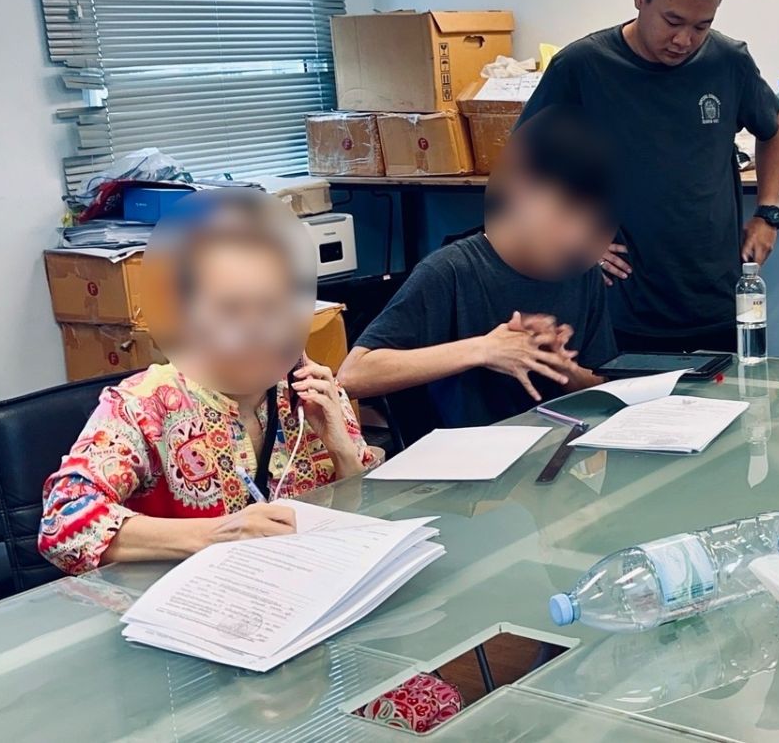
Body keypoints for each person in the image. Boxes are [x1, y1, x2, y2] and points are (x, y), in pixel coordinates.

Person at [37, 191, 462, 735]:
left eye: (276, 308)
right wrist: (215, 535)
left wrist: (341, 445)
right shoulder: (145, 406)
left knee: (433, 706)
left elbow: (372, 522)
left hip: (312, 628)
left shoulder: (309, 391)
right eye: (232, 311)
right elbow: (63, 522)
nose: (261, 331)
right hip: (194, 652)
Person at [518, 0, 779, 354]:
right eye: (673, 21)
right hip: (621, 306)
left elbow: (773, 128)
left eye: (701, 26)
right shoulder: (582, 67)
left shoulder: (727, 61)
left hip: (714, 298)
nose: (684, 40)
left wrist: (768, 213)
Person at [338, 104, 620, 426]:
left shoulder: (582, 273)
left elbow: (600, 387)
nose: (576, 235)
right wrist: (484, 349)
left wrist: (560, 367)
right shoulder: (450, 271)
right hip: (467, 452)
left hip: (557, 446)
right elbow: (352, 376)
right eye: (564, 211)